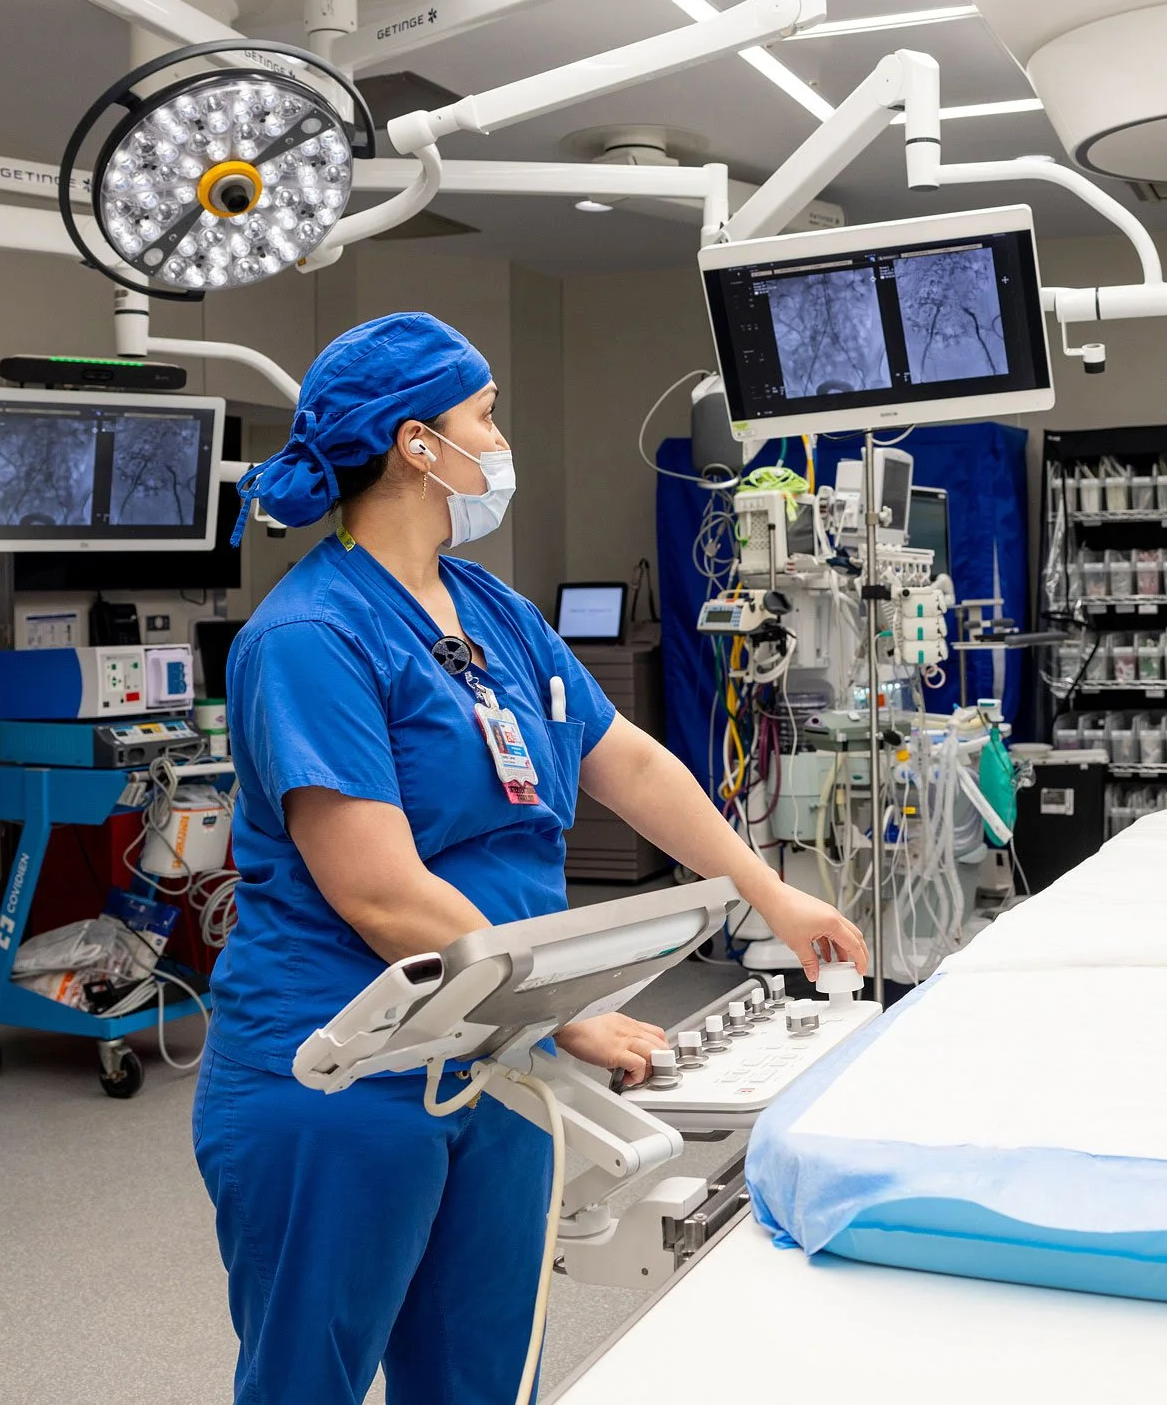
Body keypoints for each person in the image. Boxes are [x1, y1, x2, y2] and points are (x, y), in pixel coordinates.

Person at [192, 311, 868, 1405]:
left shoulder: (491, 609)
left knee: (482, 1375)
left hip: (492, 1061)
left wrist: (767, 891)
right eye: (486, 413)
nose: (498, 437)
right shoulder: (310, 636)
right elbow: (377, 890)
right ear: (418, 443)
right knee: (305, 1383)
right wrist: (555, 1013)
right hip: (341, 1074)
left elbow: (628, 763)